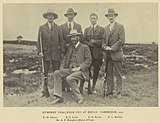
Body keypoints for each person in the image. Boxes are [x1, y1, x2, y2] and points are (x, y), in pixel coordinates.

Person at [51, 30, 92, 104]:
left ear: (78, 37)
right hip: (70, 69)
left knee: (69, 78)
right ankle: (58, 97)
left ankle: (79, 97)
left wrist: (79, 67)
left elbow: (88, 61)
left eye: (74, 37)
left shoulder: (85, 47)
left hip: (81, 71)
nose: (73, 39)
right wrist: (62, 68)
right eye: (71, 37)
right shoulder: (70, 48)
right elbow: (65, 58)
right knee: (56, 73)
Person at [37, 10, 65, 98]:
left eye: (52, 16)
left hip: (56, 54)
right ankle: (45, 91)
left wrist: (62, 52)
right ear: (46, 17)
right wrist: (39, 52)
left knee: (56, 73)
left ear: (54, 17)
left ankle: (57, 92)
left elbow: (61, 41)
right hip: (46, 54)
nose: (50, 17)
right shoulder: (41, 28)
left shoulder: (58, 28)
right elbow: (39, 42)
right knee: (45, 73)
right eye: (49, 16)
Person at [102, 8, 125, 99]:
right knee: (109, 74)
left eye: (112, 15)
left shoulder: (120, 27)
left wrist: (112, 48)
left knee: (118, 74)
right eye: (109, 16)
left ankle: (119, 92)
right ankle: (109, 91)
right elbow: (103, 40)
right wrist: (105, 47)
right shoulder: (106, 28)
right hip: (108, 55)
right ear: (107, 17)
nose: (110, 17)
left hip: (117, 54)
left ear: (115, 16)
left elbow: (121, 40)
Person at [60, 8, 83, 92]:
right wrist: (63, 49)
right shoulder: (62, 27)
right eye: (68, 15)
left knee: (74, 67)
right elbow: (61, 39)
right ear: (66, 16)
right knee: (65, 68)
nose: (70, 16)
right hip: (66, 51)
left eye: (71, 14)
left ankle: (73, 88)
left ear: (74, 15)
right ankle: (64, 88)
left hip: (75, 51)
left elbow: (81, 38)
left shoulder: (78, 26)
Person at [83, 13, 104, 94]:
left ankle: (93, 87)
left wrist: (95, 42)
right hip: (88, 53)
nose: (93, 20)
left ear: (97, 19)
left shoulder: (101, 29)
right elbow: (83, 40)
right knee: (88, 70)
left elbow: (103, 41)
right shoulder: (86, 30)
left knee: (96, 70)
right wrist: (88, 43)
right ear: (89, 19)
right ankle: (88, 87)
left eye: (94, 18)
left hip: (97, 54)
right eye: (91, 18)